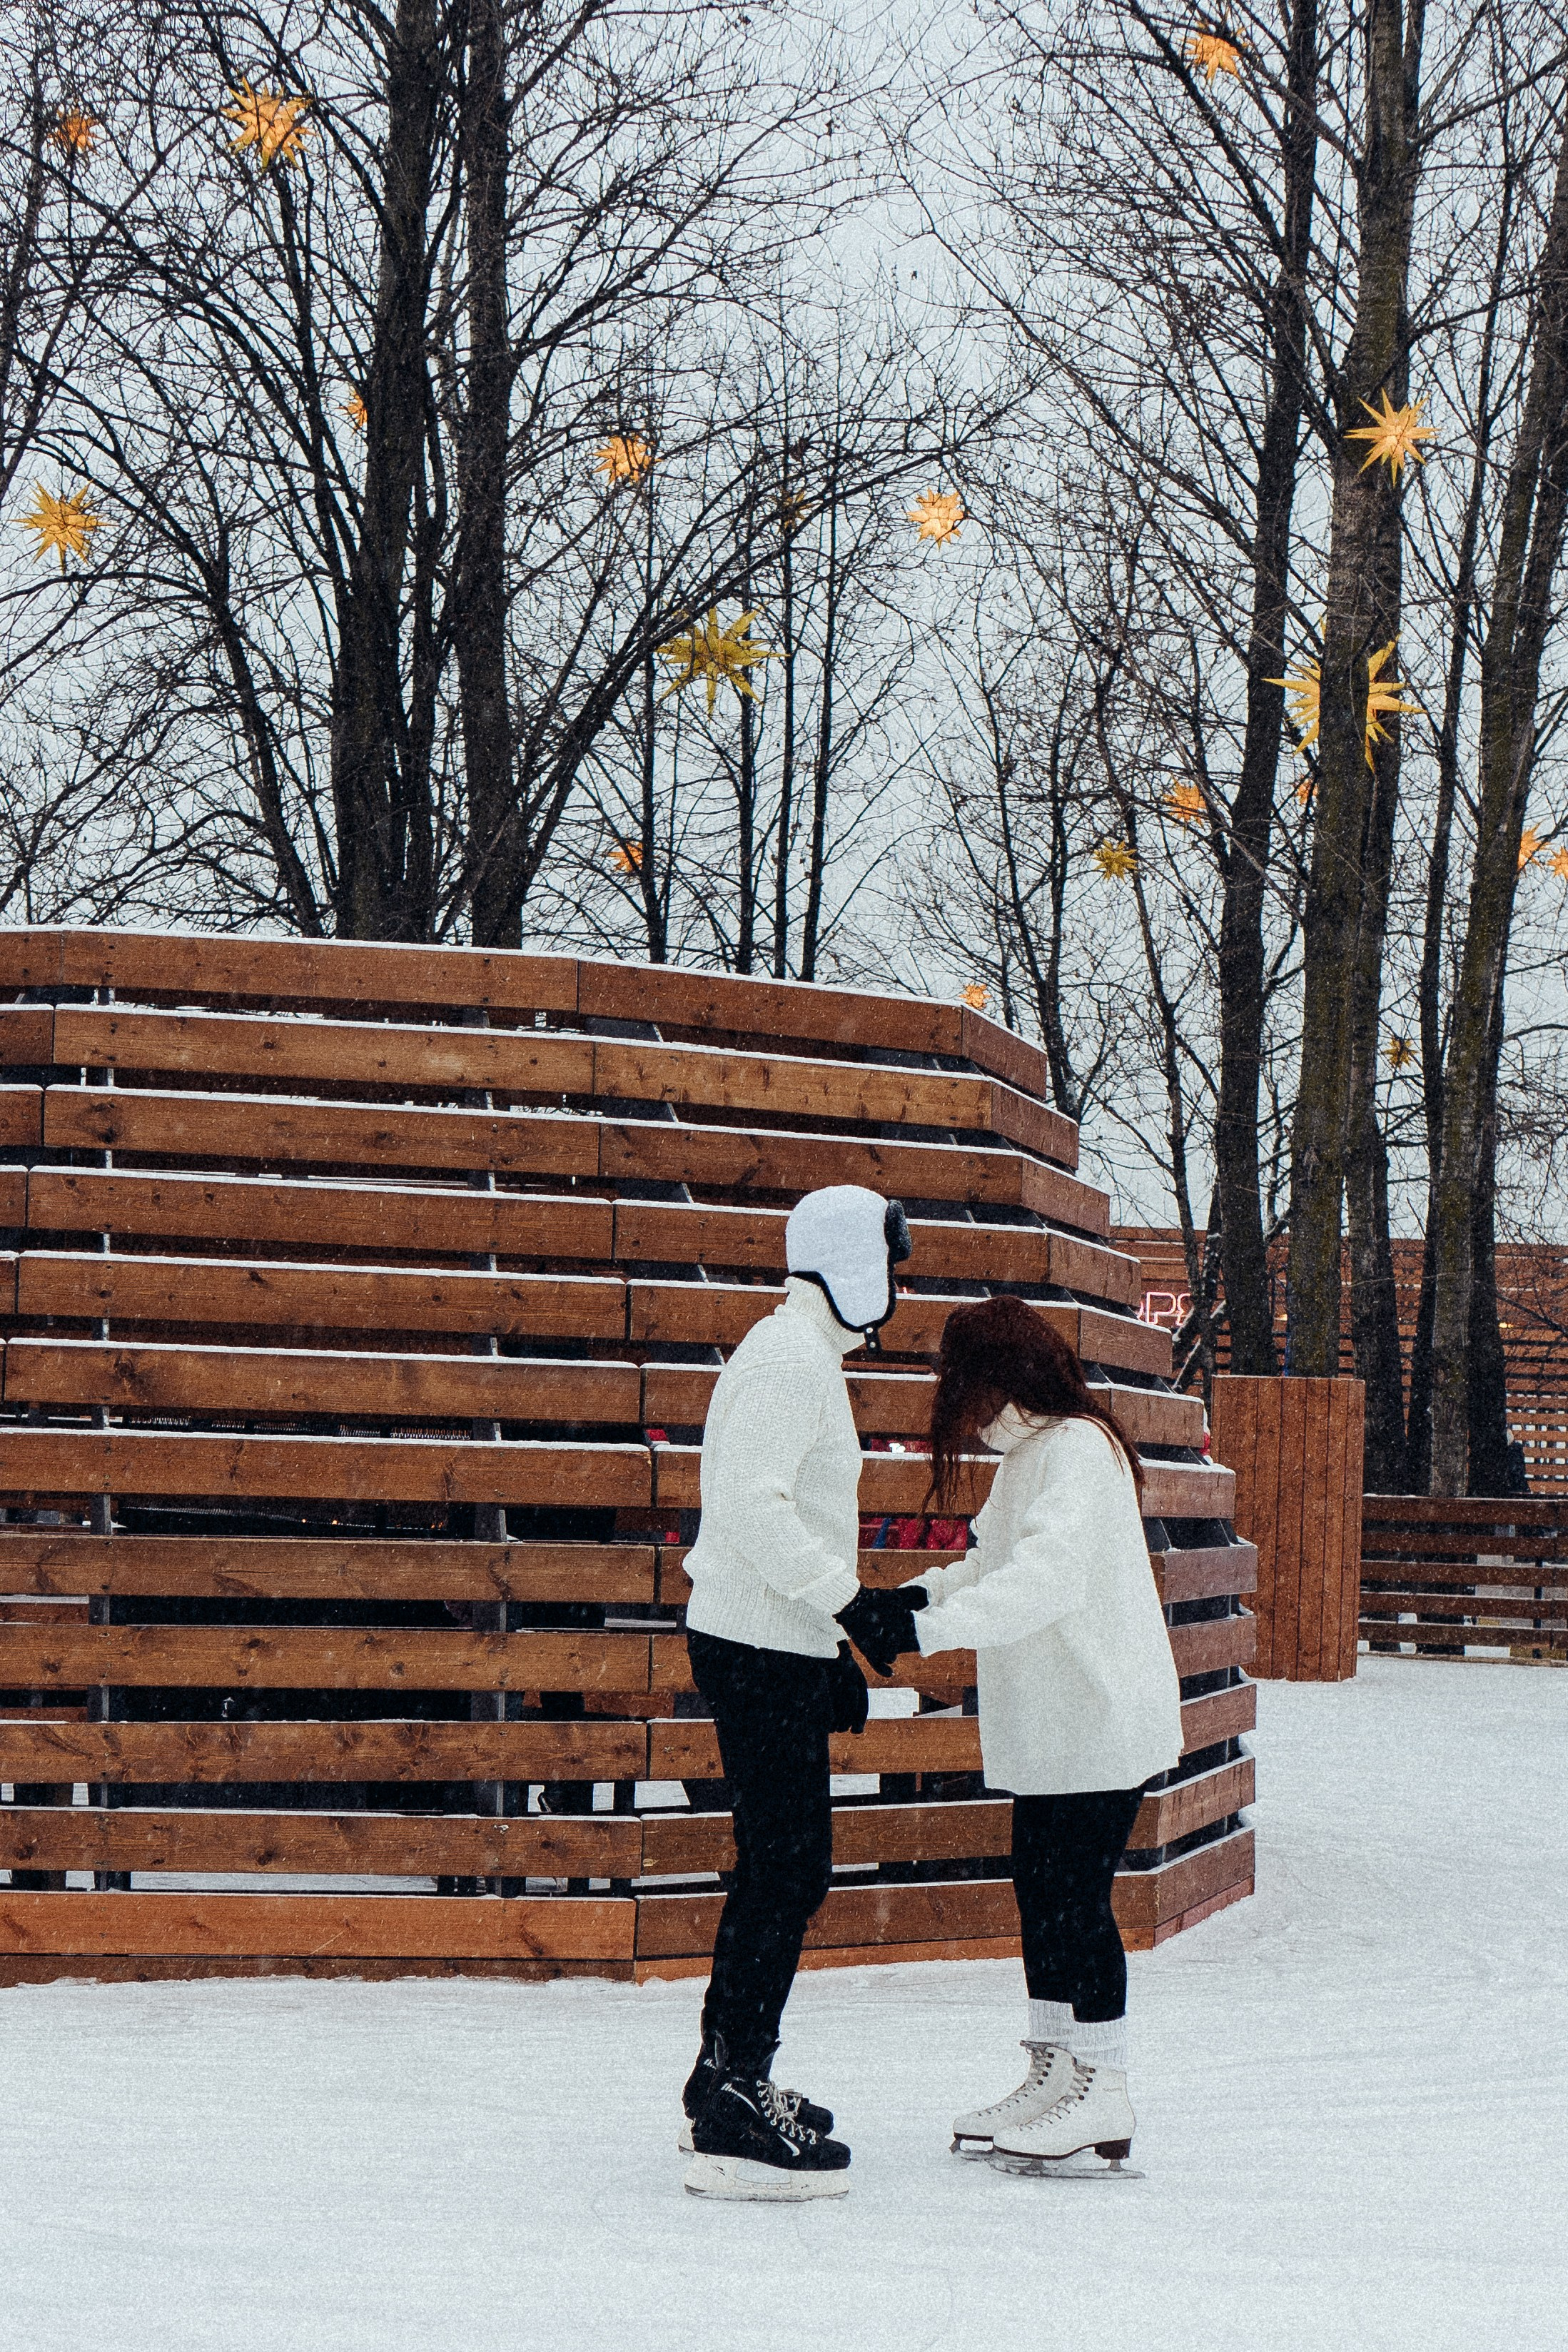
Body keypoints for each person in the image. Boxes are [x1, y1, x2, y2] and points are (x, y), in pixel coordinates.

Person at [846, 1293, 1183, 2179]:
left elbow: (1042, 1583)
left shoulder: (1078, 1451)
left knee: (1076, 1902)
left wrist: (922, 1634)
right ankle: (1056, 2070)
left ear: (1004, 1374)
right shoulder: (1030, 1457)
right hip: (1050, 1724)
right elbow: (987, 1566)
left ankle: (1103, 2082)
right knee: (1042, 1896)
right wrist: (911, 1599)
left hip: (1098, 1716)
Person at [678, 1182, 914, 2201]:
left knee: (782, 1865)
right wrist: (850, 1606)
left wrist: (823, 1642)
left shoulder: (798, 1352)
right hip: (751, 1642)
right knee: (786, 1869)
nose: (896, 1282)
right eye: (889, 1260)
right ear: (849, 1258)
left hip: (768, 1640)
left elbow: (771, 1520)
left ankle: (725, 2069)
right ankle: (735, 2086)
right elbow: (750, 1509)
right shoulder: (787, 1359)